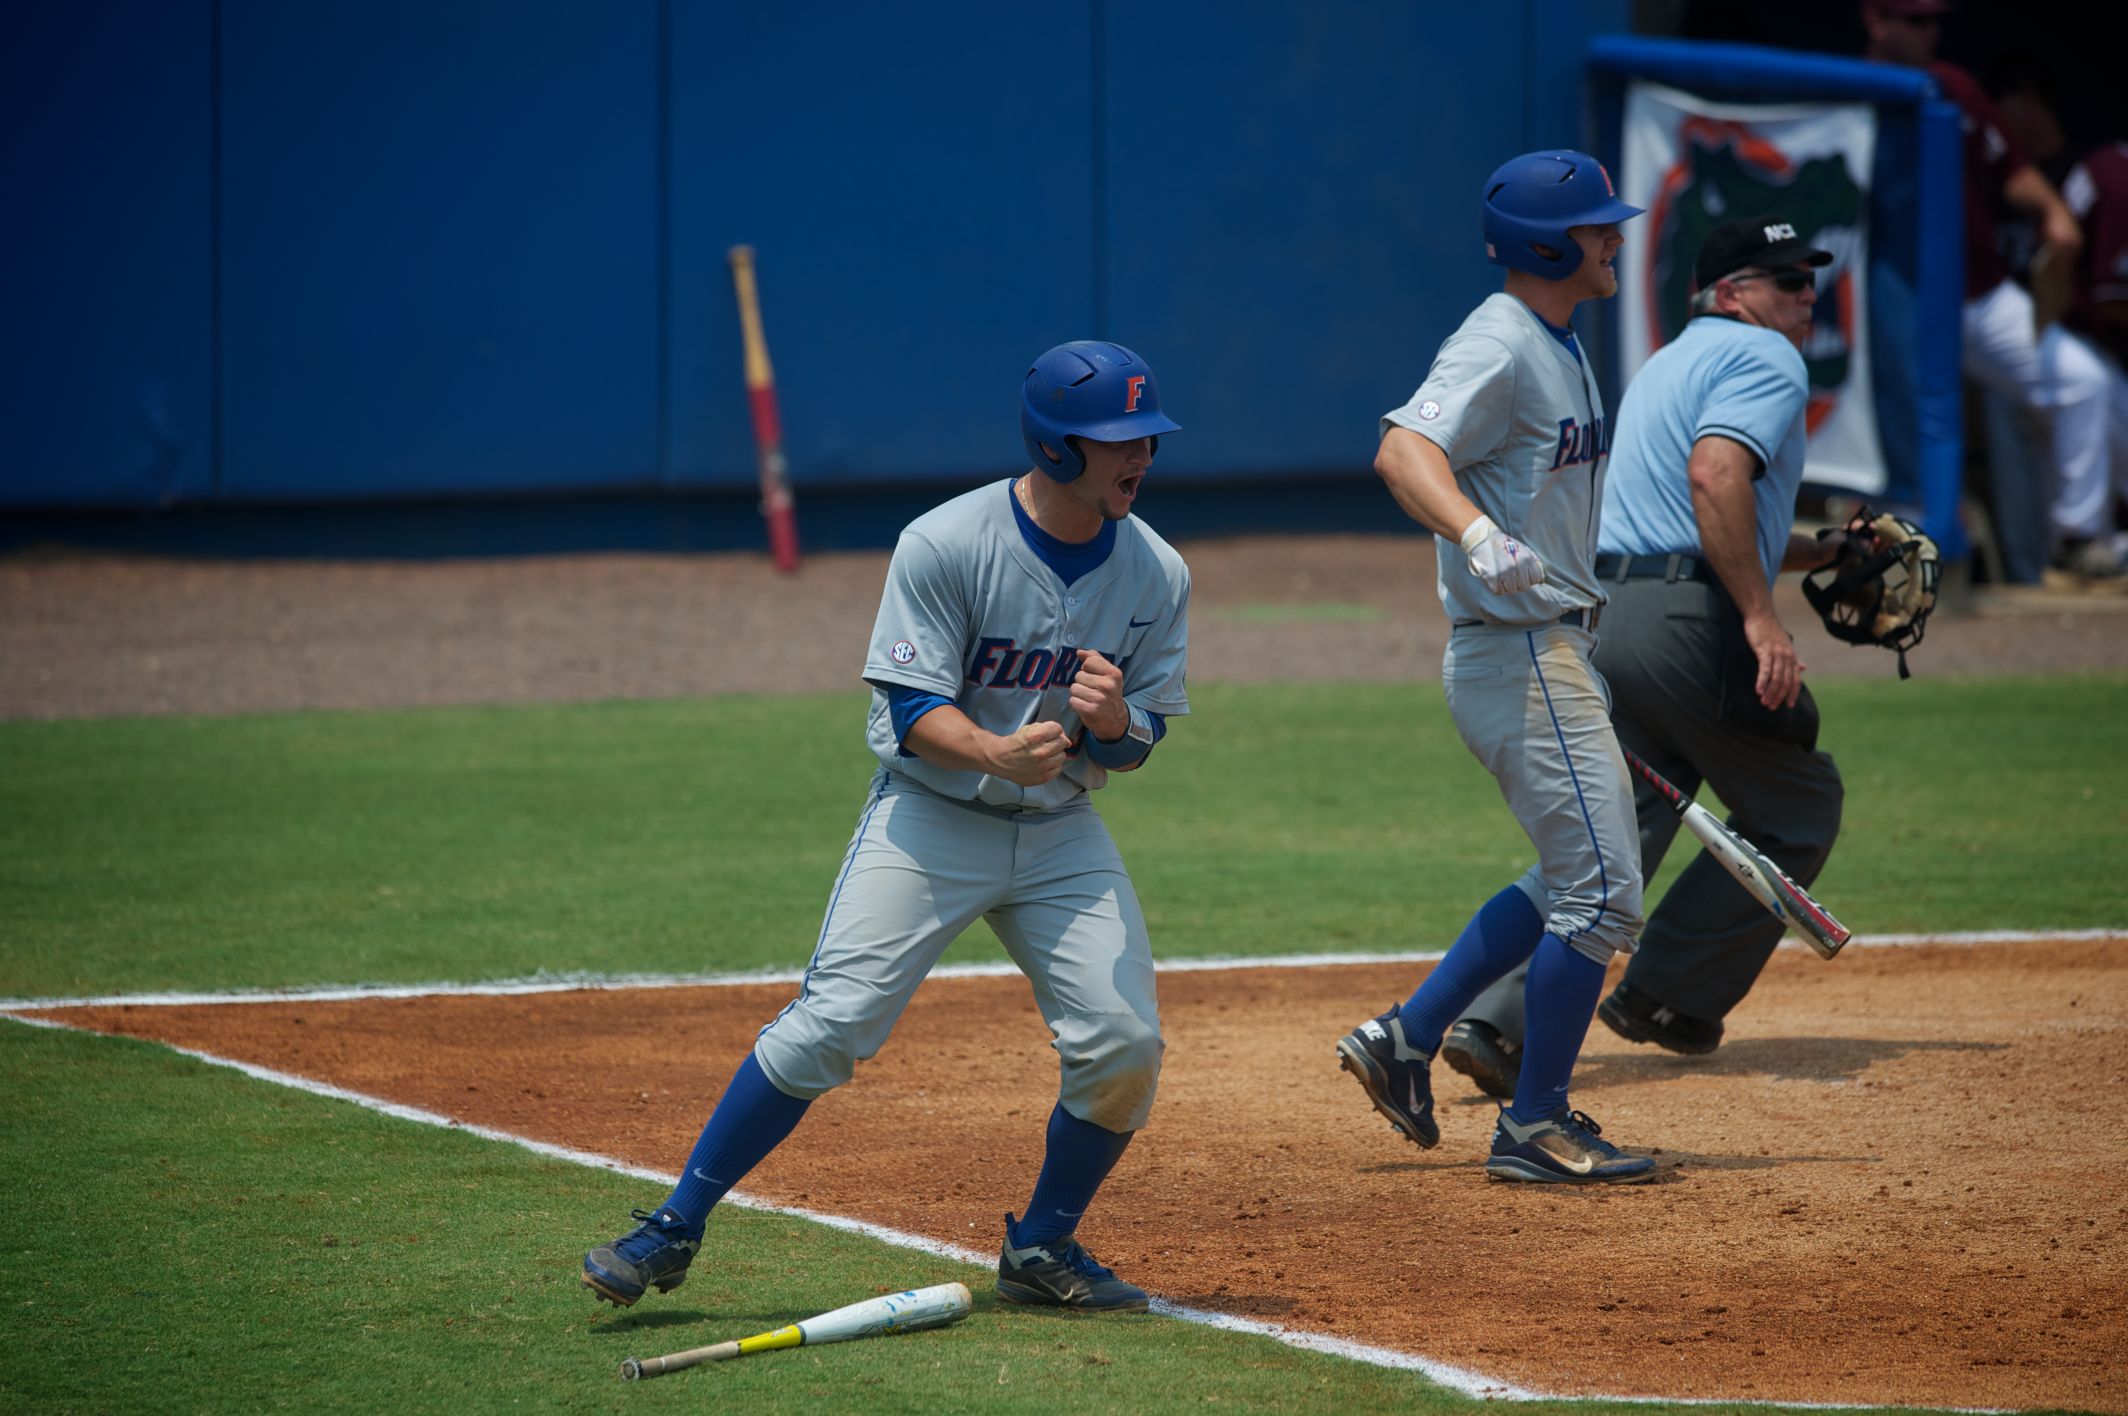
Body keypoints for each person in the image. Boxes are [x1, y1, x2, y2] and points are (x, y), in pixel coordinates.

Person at [580, 340, 1190, 1313]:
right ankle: (673, 1226)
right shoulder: (945, 543)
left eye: (1145, 440)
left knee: (1122, 1044)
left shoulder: (1157, 574)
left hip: (1063, 833)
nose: (1139, 459)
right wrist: (993, 753)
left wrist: (1116, 726)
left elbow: (1138, 741)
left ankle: (1042, 1248)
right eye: (1115, 442)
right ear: (1053, 445)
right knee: (833, 1025)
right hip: (932, 819)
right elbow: (910, 710)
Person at [1440, 218, 1855, 1102]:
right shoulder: (1769, 358)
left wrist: (1820, 550)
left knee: (1609, 835)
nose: (1806, 295)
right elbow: (1715, 480)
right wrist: (1763, 621)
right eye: (1785, 279)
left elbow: (1683, 513)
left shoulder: (1666, 362)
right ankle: (1667, 996)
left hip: (1612, 616)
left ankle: (1495, 1021)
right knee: (1799, 800)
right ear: (1731, 293)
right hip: (1686, 623)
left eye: (1811, 278)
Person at [1333, 149, 1656, 1185]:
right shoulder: (1501, 341)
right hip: (1519, 653)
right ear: (1552, 244)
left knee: (1575, 878)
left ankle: (1407, 1036)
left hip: (1550, 650)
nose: (1616, 236)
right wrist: (1476, 535)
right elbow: (1399, 450)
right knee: (1602, 899)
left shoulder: (1558, 340)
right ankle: (1534, 1125)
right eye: (1600, 226)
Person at [1858, 0, 2120, 586]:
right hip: (1891, 302)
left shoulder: (1953, 86)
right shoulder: (1847, 97)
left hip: (1977, 294)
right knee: (1899, 441)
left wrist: (2054, 212)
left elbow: (2012, 169)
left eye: (1935, 21)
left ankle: (2077, 541)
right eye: (1916, 20)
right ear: (1877, 20)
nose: (1932, 32)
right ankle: (1893, 567)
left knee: (2084, 381)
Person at [1989, 61, 2128, 577]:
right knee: (2024, 431)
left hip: (2069, 341)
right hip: (2020, 338)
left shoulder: (2085, 173)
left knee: (2085, 394)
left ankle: (2074, 552)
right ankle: (2041, 568)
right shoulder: (1993, 180)